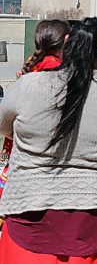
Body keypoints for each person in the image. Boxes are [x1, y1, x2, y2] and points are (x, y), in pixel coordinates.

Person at [0, 17, 97, 264]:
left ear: (66, 43)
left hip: (30, 211)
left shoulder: (29, 85)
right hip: (92, 218)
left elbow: (5, 126)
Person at [0, 19, 70, 200]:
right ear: (66, 40)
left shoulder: (36, 64)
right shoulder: (55, 69)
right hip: (42, 153)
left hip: (22, 146)